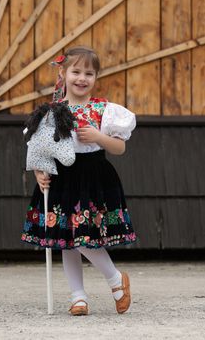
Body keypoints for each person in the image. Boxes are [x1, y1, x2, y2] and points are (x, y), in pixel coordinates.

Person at [21, 46, 137, 316]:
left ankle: (115, 280)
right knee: (66, 239)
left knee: (83, 237)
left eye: (89, 73)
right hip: (61, 178)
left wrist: (98, 137)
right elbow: (40, 148)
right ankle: (78, 296)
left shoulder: (104, 110)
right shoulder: (51, 112)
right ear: (63, 73)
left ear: (96, 77)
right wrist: (39, 171)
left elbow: (119, 149)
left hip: (92, 176)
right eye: (76, 71)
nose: (81, 78)